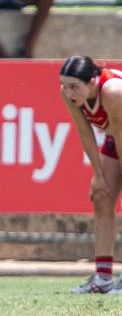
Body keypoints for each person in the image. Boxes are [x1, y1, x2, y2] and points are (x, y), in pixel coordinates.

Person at [60, 56, 122, 294]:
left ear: (93, 82)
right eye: (64, 85)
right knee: (102, 197)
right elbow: (85, 132)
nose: (68, 92)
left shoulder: (114, 91)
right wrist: (98, 176)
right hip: (116, 136)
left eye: (74, 86)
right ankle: (103, 278)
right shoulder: (69, 94)